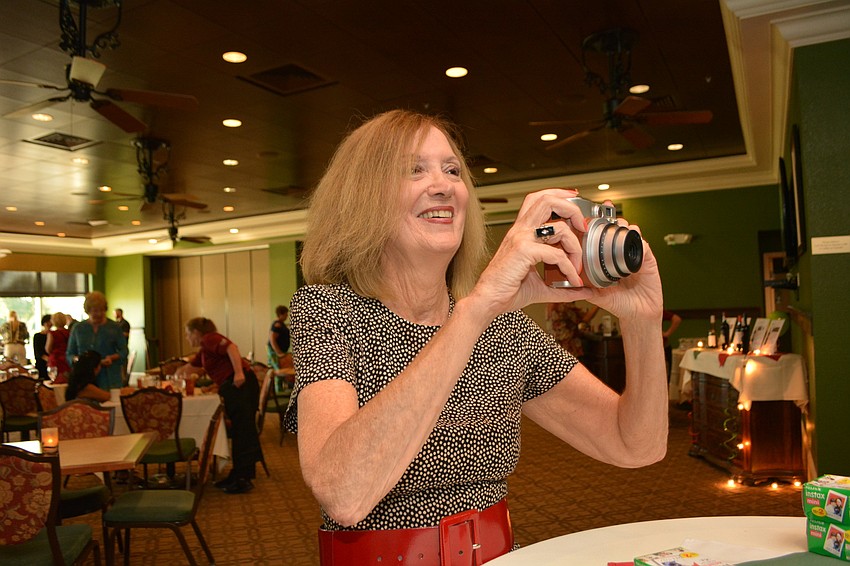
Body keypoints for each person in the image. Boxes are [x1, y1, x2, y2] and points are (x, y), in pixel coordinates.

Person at [282, 110, 668, 564]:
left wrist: (642, 322)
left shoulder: (503, 329)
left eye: (452, 170)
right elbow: (343, 494)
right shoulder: (330, 309)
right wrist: (475, 310)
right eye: (414, 169)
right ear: (364, 197)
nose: (443, 184)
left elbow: (635, 445)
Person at [174, 317, 262, 495]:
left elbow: (232, 348)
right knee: (241, 429)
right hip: (235, 385)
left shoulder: (209, 338)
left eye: (188, 333)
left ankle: (242, 479)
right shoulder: (205, 349)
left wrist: (238, 373)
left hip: (240, 384)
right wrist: (178, 374)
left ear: (197, 333)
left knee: (242, 430)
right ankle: (240, 474)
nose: (186, 337)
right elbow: (191, 366)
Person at [66, 292, 128, 391]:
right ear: (88, 311)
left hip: (109, 378)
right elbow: (69, 354)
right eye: (95, 311)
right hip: (84, 379)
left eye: (102, 310)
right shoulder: (78, 328)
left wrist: (112, 357)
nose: (99, 314)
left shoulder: (114, 328)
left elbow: (124, 351)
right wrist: (79, 360)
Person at [46, 312, 71, 383]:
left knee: (56, 382)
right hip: (67, 359)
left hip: (55, 360)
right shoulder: (70, 332)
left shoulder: (52, 334)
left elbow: (48, 349)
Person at [267, 305, 291, 370]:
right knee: (279, 370)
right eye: (286, 314)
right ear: (281, 314)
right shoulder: (277, 325)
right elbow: (272, 339)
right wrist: (278, 352)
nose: (287, 316)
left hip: (282, 351)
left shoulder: (281, 324)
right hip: (276, 352)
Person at [33, 314, 52, 380]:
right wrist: (49, 360)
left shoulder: (53, 335)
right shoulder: (37, 336)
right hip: (41, 364)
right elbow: (38, 353)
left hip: (51, 363)